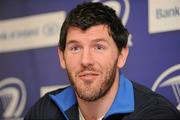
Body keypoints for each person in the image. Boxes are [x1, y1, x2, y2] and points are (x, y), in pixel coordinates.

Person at [25, 2, 180, 120]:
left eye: (98, 47)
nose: (85, 60)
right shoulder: (43, 112)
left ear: (121, 55)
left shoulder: (155, 114)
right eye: (75, 48)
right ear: (62, 57)